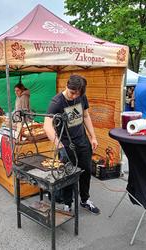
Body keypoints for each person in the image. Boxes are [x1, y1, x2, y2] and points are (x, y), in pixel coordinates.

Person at [44, 75, 100, 214]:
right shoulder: (57, 102)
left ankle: (85, 199)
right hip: (66, 144)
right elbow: (47, 126)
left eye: (77, 94)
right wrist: (59, 145)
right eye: (72, 93)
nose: (74, 96)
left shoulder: (81, 97)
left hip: (83, 141)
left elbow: (86, 116)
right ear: (66, 86)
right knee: (68, 175)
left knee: (86, 172)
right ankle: (67, 203)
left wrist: (93, 137)